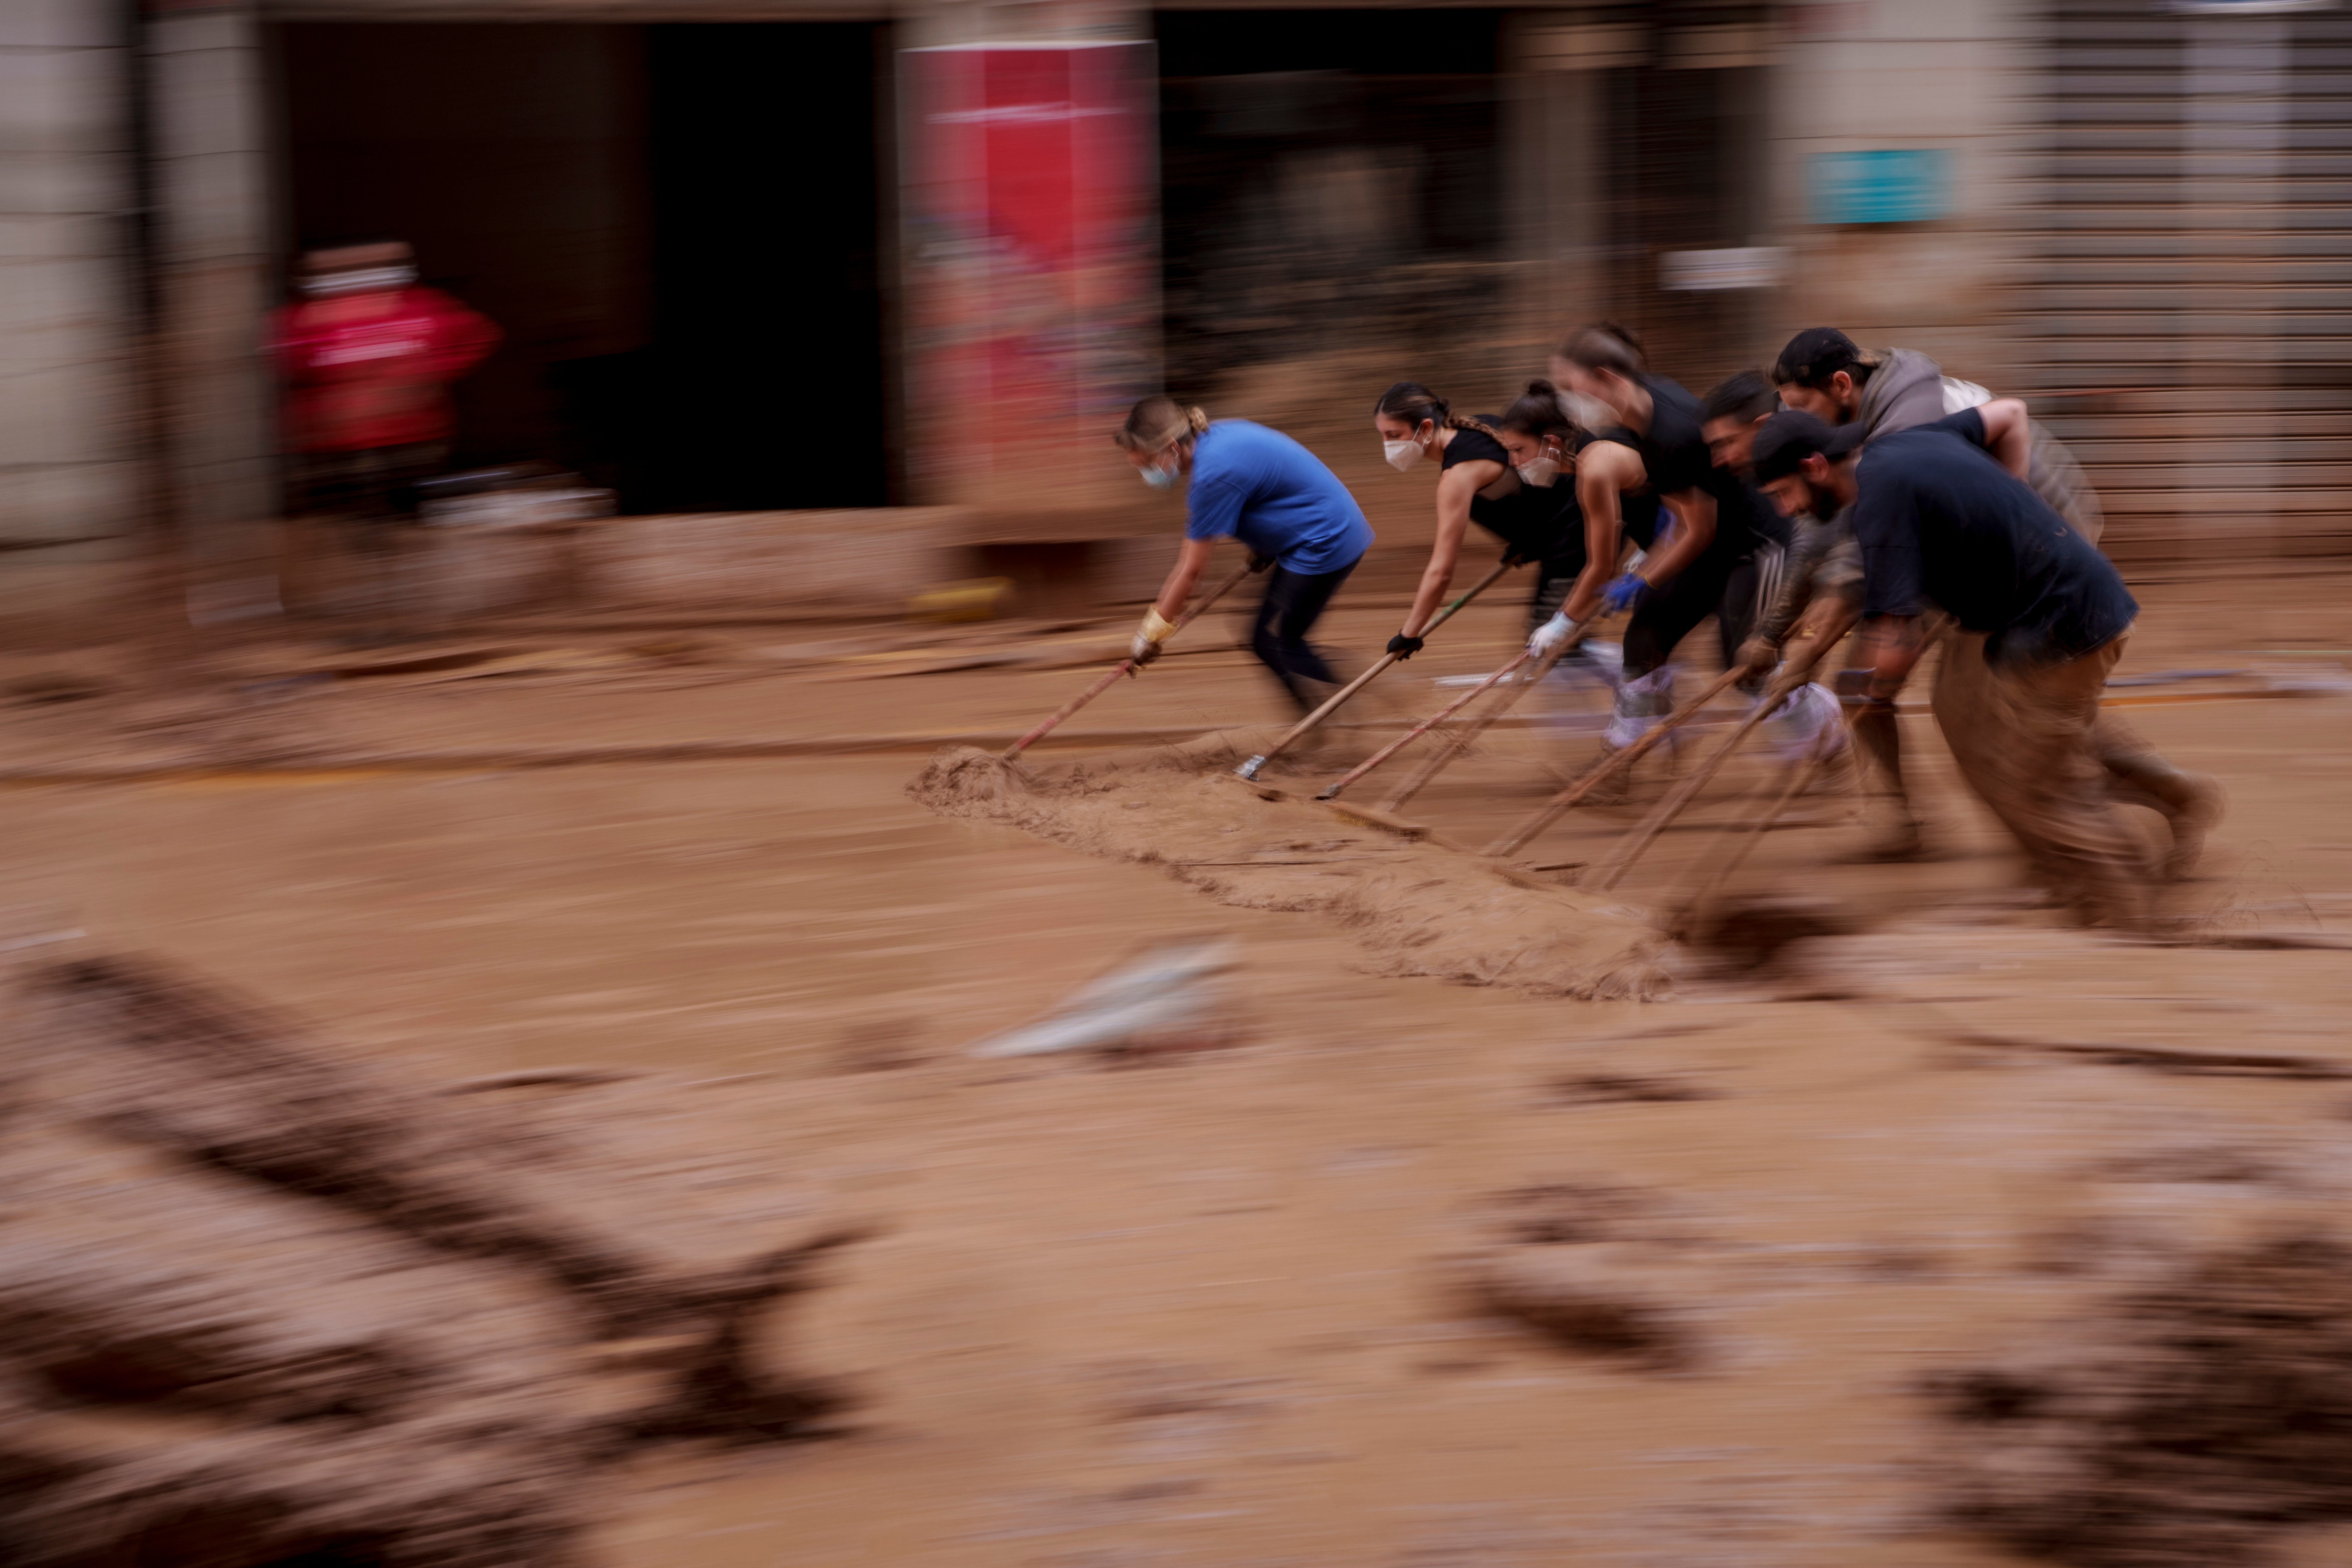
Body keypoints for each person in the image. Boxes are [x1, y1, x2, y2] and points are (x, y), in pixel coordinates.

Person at [1750, 404, 2222, 928]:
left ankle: (2135, 917)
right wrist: (2007, 506)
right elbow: (2007, 416)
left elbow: (1895, 638)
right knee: (2004, 754)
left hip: (2059, 625)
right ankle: (2110, 862)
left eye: (1781, 494)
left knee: (2034, 789)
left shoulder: (1876, 503)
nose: (1787, 508)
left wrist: (1854, 696)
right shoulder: (1904, 444)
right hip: (2048, 613)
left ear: (1814, 465)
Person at [1540, 324, 1789, 785]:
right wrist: (1649, 565)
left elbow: (1698, 529)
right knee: (1645, 638)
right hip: (1713, 543)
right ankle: (1620, 760)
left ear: (1606, 378)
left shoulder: (1671, 430)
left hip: (1755, 544)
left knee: (1744, 658)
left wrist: (1644, 577)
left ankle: (1824, 741)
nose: (1569, 403)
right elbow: (1683, 520)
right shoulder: (1642, 411)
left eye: (1573, 389)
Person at [1118, 396, 1374, 714]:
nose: (1146, 473)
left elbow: (1190, 571)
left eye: (1146, 464)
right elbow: (1267, 490)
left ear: (1171, 447)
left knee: (1280, 643)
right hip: (1321, 531)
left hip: (1324, 541)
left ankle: (1354, 703)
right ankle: (1334, 711)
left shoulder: (1212, 476)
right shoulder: (1218, 438)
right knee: (1268, 641)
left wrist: (1151, 634)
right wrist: (1265, 546)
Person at [273, 241, 501, 523]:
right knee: (349, 520)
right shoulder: (307, 317)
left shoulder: (420, 305)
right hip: (338, 445)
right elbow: (283, 359)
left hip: (407, 440)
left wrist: (428, 375)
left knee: (403, 516)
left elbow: (479, 335)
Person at [1369, 383, 1518, 664]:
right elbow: (1521, 486)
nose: (1389, 446)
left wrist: (1409, 633)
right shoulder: (1479, 426)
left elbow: (1441, 572)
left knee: (1554, 643)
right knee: (1553, 640)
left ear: (1426, 428)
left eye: (1394, 435)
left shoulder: (1456, 477)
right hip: (1568, 532)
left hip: (1575, 536)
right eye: (1384, 437)